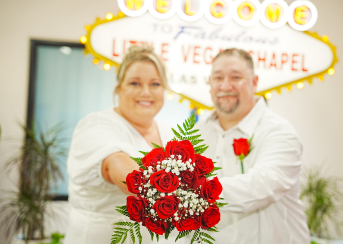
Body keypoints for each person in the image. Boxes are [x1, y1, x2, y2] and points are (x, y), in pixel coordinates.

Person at [64, 45, 182, 244]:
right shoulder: (96, 125)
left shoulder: (171, 133)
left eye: (155, 84)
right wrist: (176, 195)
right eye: (135, 83)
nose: (146, 92)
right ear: (119, 88)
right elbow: (118, 165)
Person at [195, 48, 310, 243]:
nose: (225, 85)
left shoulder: (279, 132)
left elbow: (261, 186)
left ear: (254, 82)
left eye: (236, 77)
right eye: (218, 78)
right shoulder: (198, 132)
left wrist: (189, 192)